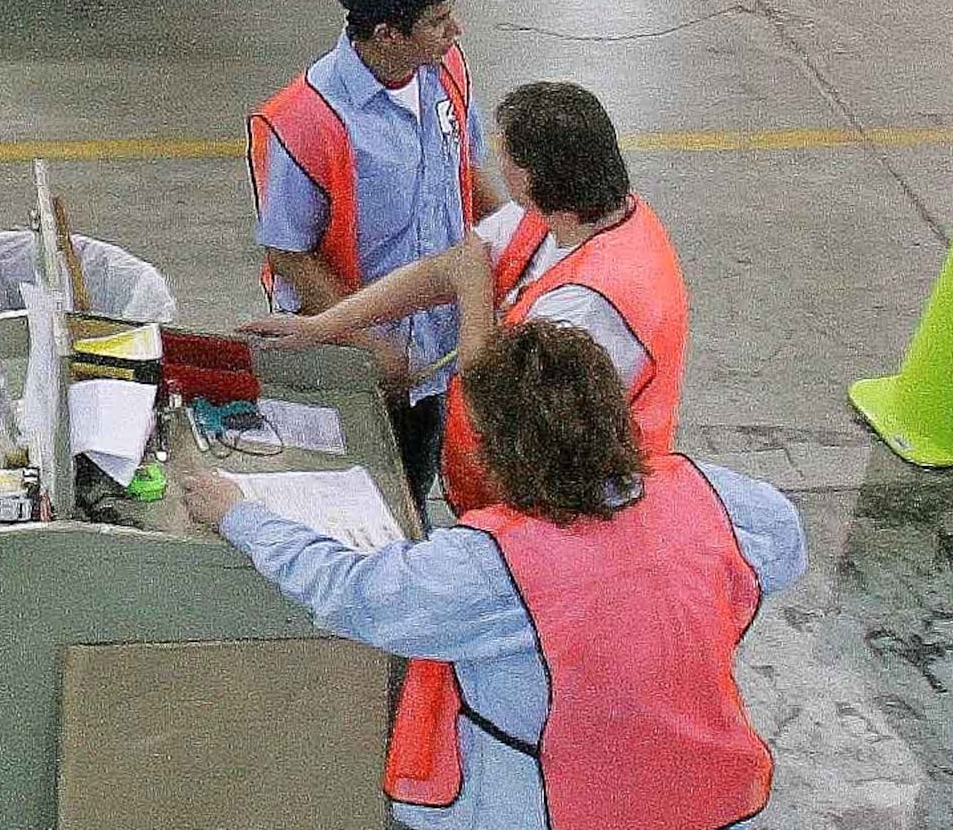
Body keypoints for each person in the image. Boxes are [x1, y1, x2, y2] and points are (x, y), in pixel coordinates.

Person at [184, 323, 801, 830]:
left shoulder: (492, 568)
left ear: (500, 450)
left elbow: (353, 592)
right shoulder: (715, 498)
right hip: (718, 797)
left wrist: (238, 515)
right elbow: (783, 553)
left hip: (559, 809)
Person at [243, 79, 686, 516]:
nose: (493, 160)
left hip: (565, 513)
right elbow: (446, 268)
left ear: (533, 178)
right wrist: (325, 324)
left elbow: (493, 401)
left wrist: (473, 292)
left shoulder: (589, 306)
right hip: (508, 496)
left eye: (505, 154)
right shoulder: (562, 216)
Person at [253, 0, 487, 498]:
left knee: (415, 485)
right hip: (360, 369)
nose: (455, 32)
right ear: (387, 34)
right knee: (365, 506)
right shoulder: (307, 119)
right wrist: (366, 342)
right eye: (438, 21)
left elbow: (469, 171)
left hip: (433, 357)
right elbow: (288, 253)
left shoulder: (444, 71)